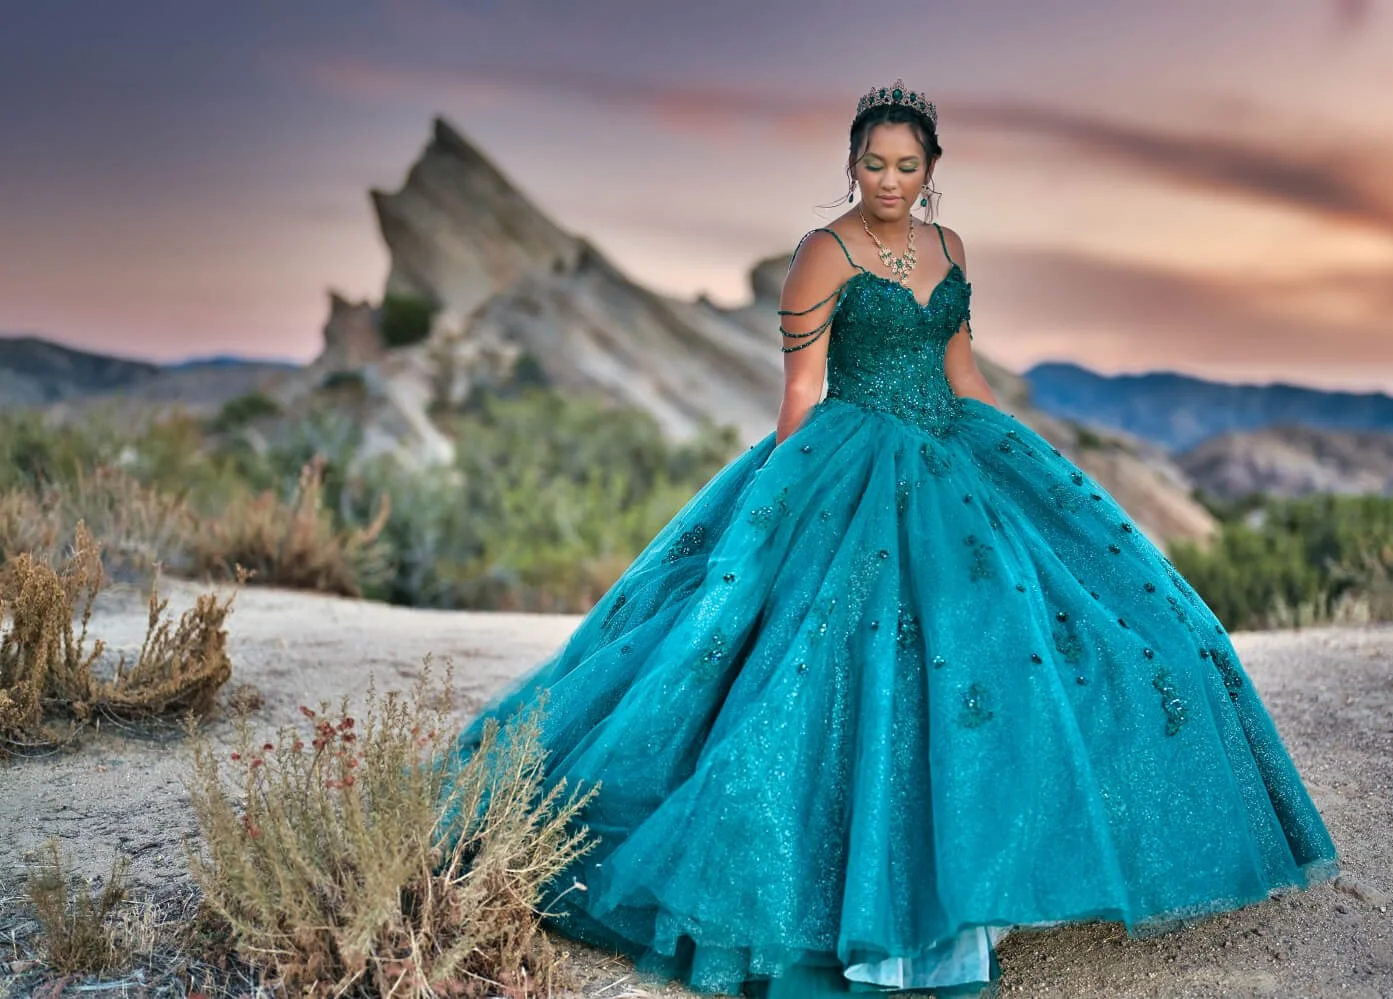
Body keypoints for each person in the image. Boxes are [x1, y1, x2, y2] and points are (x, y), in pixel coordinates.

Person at [452, 79, 1339, 999]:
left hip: (953, 456)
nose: (889, 179)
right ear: (851, 164)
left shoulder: (950, 248)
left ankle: (988, 865)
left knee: (1040, 642)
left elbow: (962, 373)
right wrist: (776, 512)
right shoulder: (822, 253)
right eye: (874, 163)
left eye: (907, 165)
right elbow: (802, 393)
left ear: (931, 169)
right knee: (841, 659)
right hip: (850, 465)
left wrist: (1028, 463)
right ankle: (875, 896)